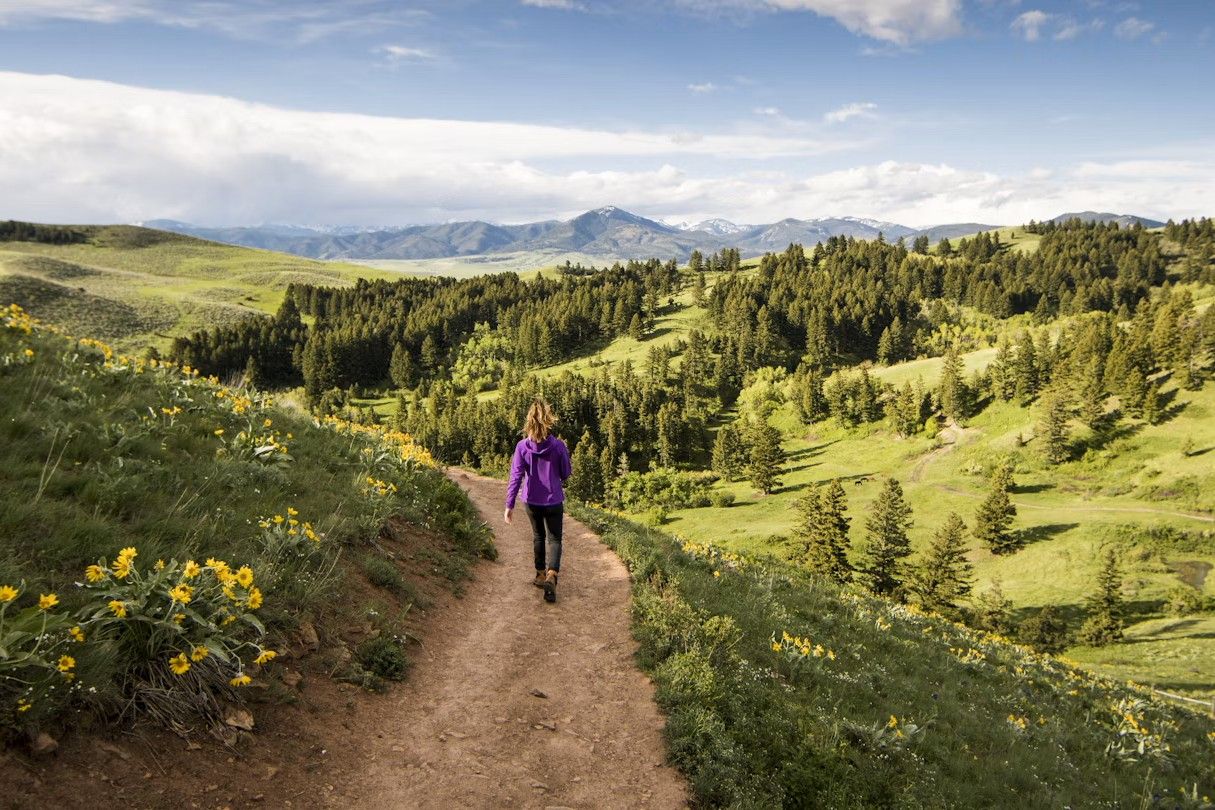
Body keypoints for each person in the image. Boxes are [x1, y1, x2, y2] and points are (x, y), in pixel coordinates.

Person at [504, 398, 572, 603]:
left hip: (531, 500)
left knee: (538, 536)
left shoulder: (522, 447)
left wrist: (509, 505)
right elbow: (566, 473)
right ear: (548, 420)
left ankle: (540, 574)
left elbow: (516, 476)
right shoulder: (558, 446)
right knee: (555, 538)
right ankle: (552, 574)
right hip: (553, 500)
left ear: (529, 421)